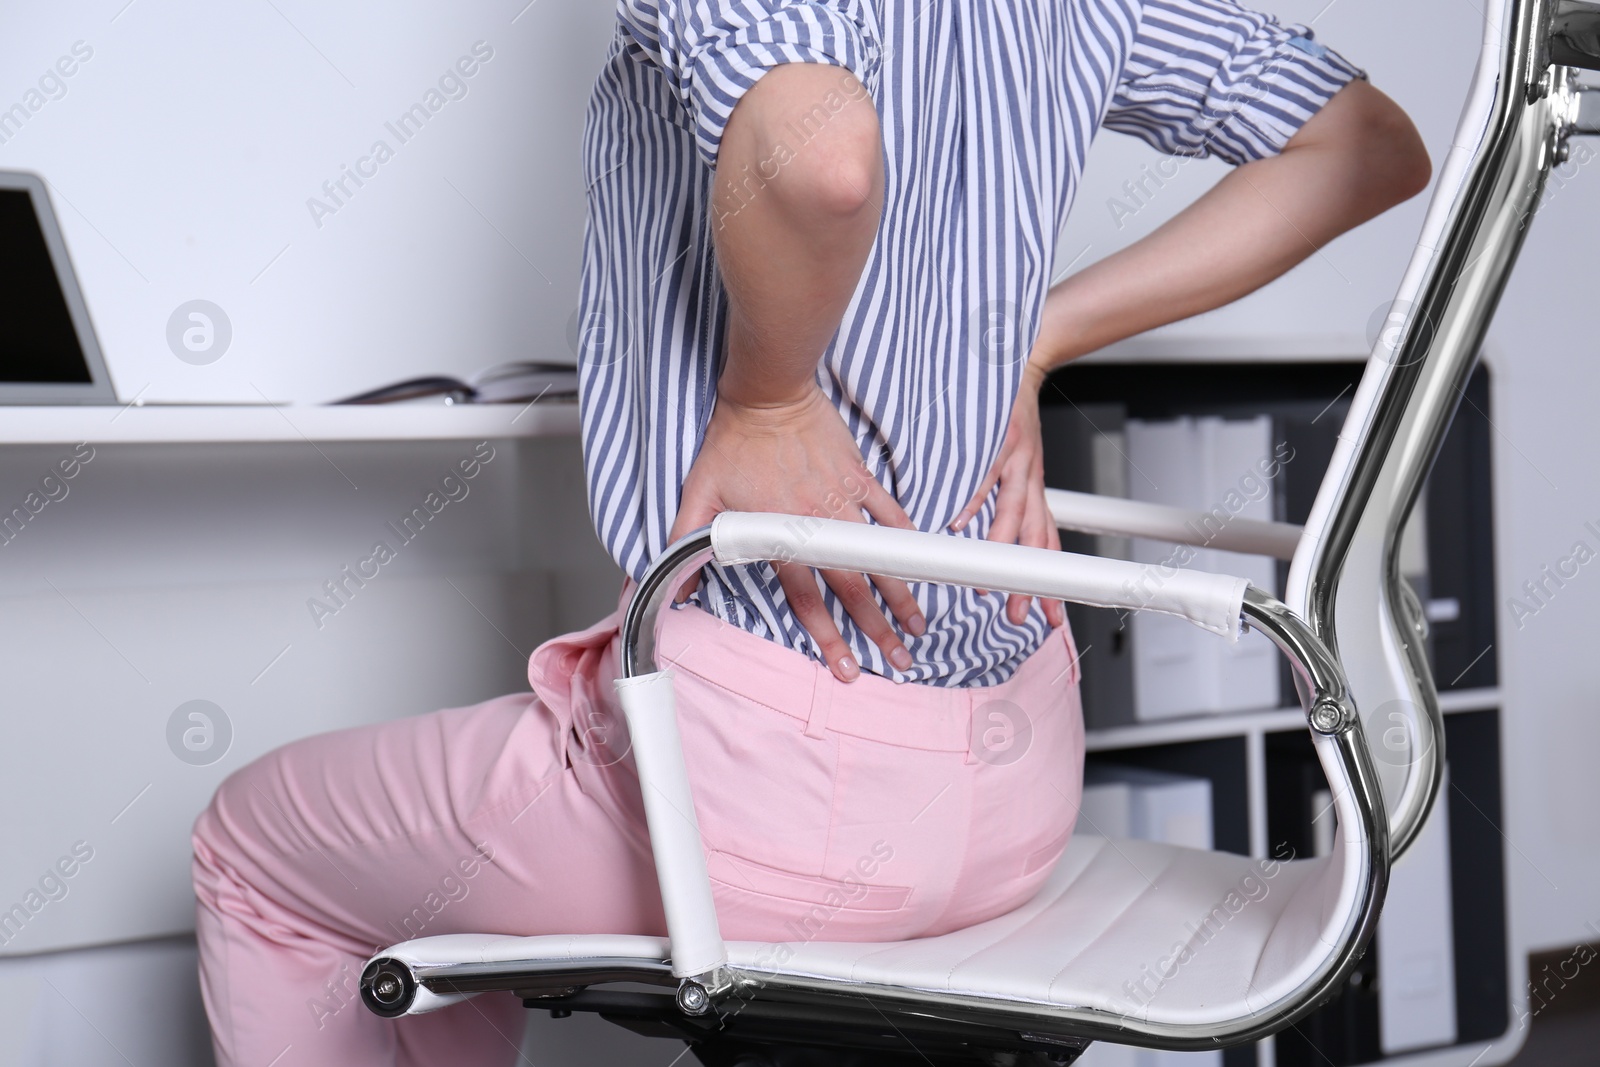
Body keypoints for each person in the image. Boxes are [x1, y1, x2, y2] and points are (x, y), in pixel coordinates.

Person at [190, 1, 1430, 1063]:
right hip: (1013, 795)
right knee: (459, 872)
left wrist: (771, 394)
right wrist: (1034, 339)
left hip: (766, 808)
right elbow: (1365, 146)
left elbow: (823, 156)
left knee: (254, 845)